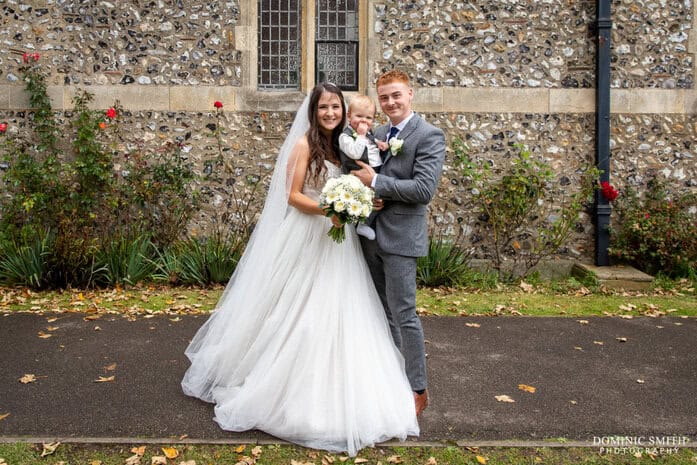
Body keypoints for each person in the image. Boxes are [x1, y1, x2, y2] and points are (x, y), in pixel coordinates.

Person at [181, 82, 419, 456]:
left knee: (344, 308)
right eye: (324, 107)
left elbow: (362, 174)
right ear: (313, 110)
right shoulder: (304, 144)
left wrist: (358, 203)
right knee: (300, 308)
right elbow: (292, 197)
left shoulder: (344, 144)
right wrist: (332, 210)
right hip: (309, 234)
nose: (330, 113)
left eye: (335, 107)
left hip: (339, 242)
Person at [351, 70, 446, 417]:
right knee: (380, 312)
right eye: (385, 97)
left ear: (410, 94)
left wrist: (377, 181)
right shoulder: (375, 133)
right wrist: (368, 193)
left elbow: (423, 190)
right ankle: (389, 379)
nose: (390, 103)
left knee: (404, 314)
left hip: (403, 239)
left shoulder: (429, 136)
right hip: (370, 234)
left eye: (396, 96)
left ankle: (418, 389)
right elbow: (359, 174)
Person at [338, 95, 388, 240]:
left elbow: (371, 142)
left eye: (368, 118)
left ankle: (367, 222)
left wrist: (381, 144)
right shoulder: (345, 137)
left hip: (377, 169)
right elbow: (355, 152)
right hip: (359, 174)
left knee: (379, 198)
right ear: (348, 116)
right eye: (359, 116)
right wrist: (360, 136)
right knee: (367, 198)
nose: (363, 121)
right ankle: (362, 224)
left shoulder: (368, 133)